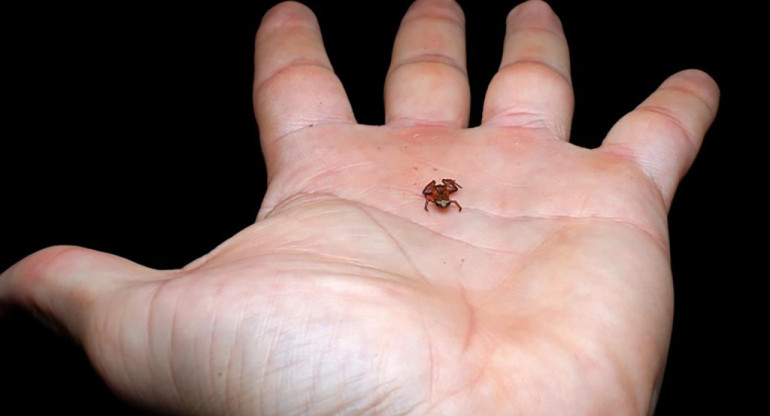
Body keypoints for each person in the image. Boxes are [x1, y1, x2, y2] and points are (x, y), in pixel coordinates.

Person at [0, 0, 718, 414]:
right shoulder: (435, 195)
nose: (439, 195)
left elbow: (442, 192)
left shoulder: (444, 194)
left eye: (440, 194)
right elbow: (435, 191)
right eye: (439, 194)